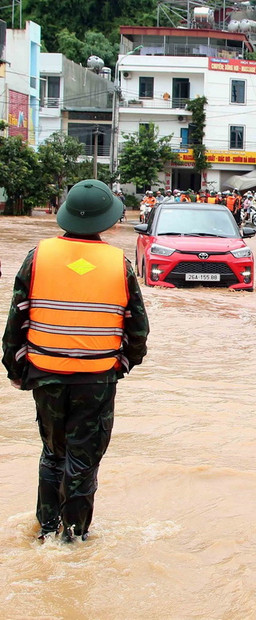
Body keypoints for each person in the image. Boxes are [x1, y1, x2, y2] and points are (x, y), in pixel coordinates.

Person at [1, 179, 149, 543]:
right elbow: (138, 330)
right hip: (96, 380)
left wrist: (17, 371)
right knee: (83, 460)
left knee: (53, 454)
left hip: (45, 374)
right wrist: (122, 366)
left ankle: (47, 530)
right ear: (108, 221)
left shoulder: (38, 256)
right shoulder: (120, 264)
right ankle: (75, 536)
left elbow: (15, 323)